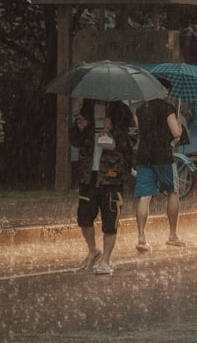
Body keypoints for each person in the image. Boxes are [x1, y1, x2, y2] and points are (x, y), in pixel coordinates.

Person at [69, 99, 134, 275]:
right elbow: (75, 141)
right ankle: (93, 250)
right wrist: (79, 129)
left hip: (112, 174)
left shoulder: (122, 110)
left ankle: (106, 260)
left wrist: (114, 130)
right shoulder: (86, 108)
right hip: (88, 173)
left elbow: (131, 142)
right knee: (84, 216)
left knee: (110, 219)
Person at [134, 78, 186, 251]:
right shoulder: (167, 109)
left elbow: (140, 132)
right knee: (172, 192)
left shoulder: (141, 109)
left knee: (144, 195)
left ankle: (141, 237)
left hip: (144, 156)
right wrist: (179, 123)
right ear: (164, 91)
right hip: (163, 157)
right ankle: (173, 234)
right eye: (168, 91)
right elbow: (176, 133)